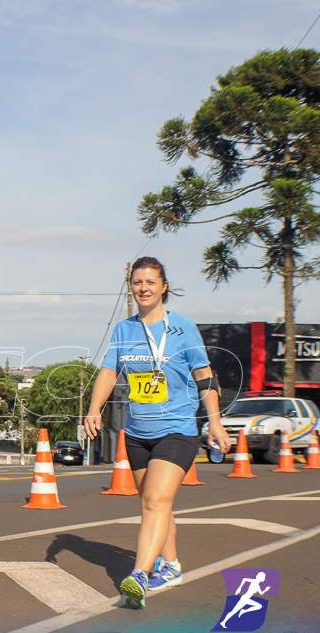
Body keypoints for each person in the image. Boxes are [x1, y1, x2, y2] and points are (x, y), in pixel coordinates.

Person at [84, 256, 230, 608]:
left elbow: (205, 377)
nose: (143, 288)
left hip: (177, 430)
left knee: (155, 501)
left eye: (150, 282)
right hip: (136, 432)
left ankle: (139, 575)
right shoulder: (124, 330)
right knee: (154, 503)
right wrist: (93, 408)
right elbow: (108, 372)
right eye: (137, 282)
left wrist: (214, 420)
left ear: (164, 287)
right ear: (131, 287)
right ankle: (172, 565)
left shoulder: (183, 328)